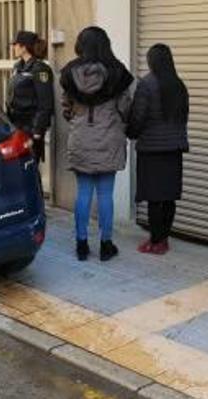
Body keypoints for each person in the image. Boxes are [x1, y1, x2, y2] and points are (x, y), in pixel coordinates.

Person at [60, 26, 134, 262]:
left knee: (83, 193)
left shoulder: (70, 73)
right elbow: (125, 108)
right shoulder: (117, 72)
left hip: (81, 138)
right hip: (108, 139)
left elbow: (66, 109)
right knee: (105, 194)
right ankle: (106, 245)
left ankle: (81, 245)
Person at [127, 44, 189, 255]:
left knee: (154, 196)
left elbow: (138, 116)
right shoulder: (179, 85)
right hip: (174, 149)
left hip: (152, 149)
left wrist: (132, 133)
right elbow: (183, 117)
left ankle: (155, 241)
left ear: (153, 61)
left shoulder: (147, 84)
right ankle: (163, 239)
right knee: (169, 195)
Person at [6, 30, 54, 162]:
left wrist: (38, 130)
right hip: (16, 126)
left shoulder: (39, 69)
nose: (13, 48)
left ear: (24, 47)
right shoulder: (18, 67)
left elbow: (45, 103)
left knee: (30, 165)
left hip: (31, 127)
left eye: (16, 45)